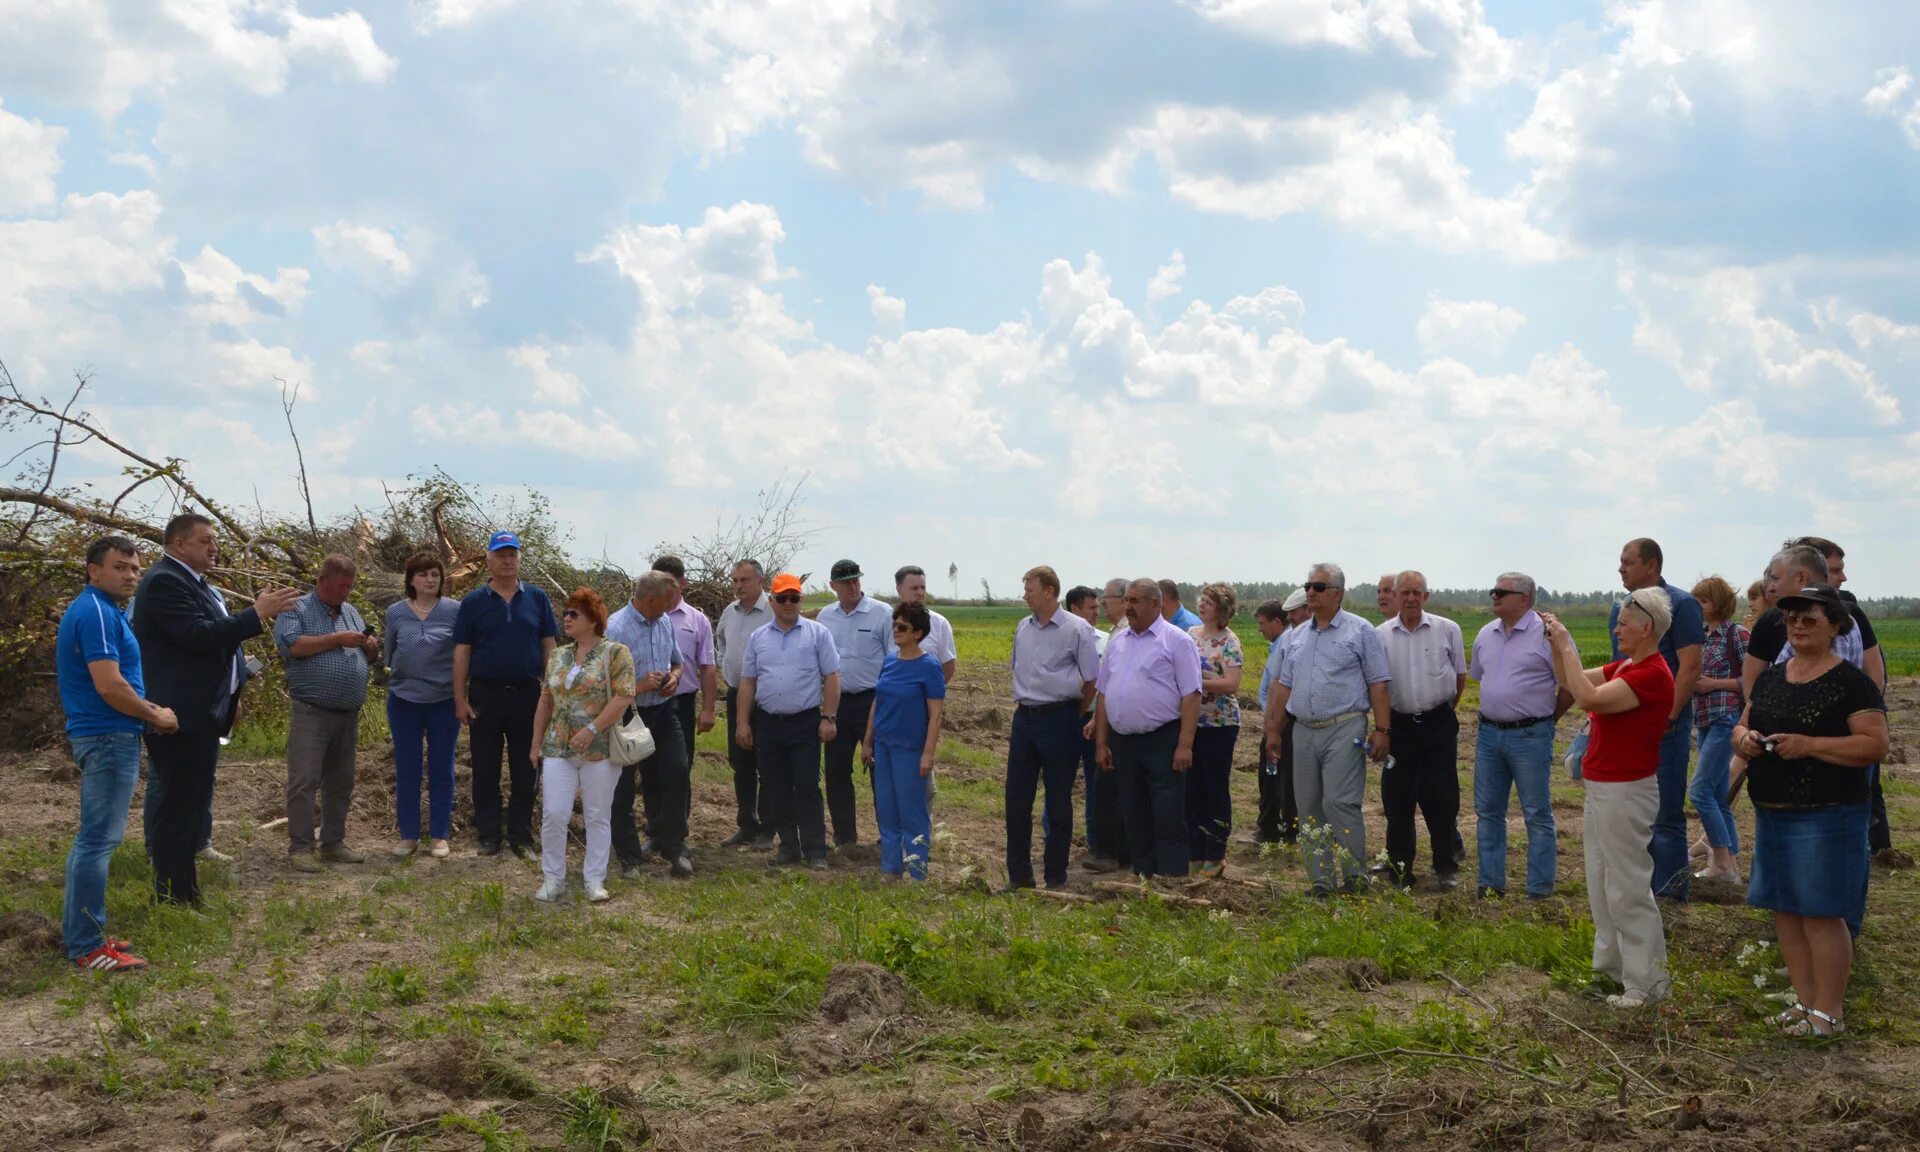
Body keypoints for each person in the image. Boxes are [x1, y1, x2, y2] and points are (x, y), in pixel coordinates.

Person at [1734, 584, 1888, 1036]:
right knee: (1787, 910)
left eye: (1810, 618)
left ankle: (1829, 1011)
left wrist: (1810, 746)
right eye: (1792, 619)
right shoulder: (1772, 677)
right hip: (1773, 811)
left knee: (1821, 913)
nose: (1798, 625)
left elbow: (1875, 744)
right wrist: (1743, 740)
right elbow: (1744, 726)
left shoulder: (1850, 682)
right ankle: (1804, 1003)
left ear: (1836, 625)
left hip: (1828, 814)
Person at [134, 513, 299, 905]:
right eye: (205, 541)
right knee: (177, 809)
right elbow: (197, 636)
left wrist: (230, 694)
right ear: (178, 545)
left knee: (191, 809)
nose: (214, 547)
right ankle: (171, 897)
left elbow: (219, 643)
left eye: (215, 540)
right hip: (178, 717)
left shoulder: (198, 585)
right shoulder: (163, 583)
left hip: (202, 715)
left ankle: (186, 893)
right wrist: (255, 613)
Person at [1542, 589, 1676, 1009]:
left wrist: (1566, 644)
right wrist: (1555, 646)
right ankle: (1611, 973)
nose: (1617, 629)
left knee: (1628, 886)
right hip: (1603, 786)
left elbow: (1588, 698)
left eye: (1622, 622)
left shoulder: (1652, 674)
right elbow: (1570, 681)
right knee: (1602, 884)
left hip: (1626, 790)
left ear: (1646, 627)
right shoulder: (1628, 665)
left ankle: (1646, 984)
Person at [58, 537, 179, 971]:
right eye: (120, 567)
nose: (130, 575)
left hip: (109, 735)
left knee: (92, 839)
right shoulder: (94, 612)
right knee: (97, 841)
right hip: (108, 736)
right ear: (93, 570)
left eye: (134, 568)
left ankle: (81, 933)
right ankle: (89, 948)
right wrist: (155, 715)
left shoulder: (107, 611)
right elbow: (110, 685)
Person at [1263, 564, 1391, 896]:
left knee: (1340, 803)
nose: (1310, 592)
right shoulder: (1295, 636)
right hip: (1303, 729)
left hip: (1343, 727)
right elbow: (1281, 687)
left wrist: (1382, 730)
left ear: (1337, 593)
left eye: (1318, 587)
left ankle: (1355, 879)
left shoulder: (1360, 631)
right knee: (1308, 807)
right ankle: (1321, 882)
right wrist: (1273, 731)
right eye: (1308, 585)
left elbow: (1378, 684)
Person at [1787, 536, 1895, 864]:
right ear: (1811, 572)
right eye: (1835, 570)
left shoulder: (1853, 616)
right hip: (1802, 751)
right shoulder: (1789, 622)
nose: (1842, 577)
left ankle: (1875, 852)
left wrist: (1859, 720)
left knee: (1862, 800)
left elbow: (1875, 675)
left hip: (1851, 738)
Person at [1609, 538, 1704, 901]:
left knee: (1664, 815)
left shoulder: (1681, 605)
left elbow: (1690, 666)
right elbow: (1621, 667)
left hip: (1666, 729)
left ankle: (1670, 895)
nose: (1621, 568)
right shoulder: (1622, 608)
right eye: (1620, 562)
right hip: (1627, 727)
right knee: (1632, 814)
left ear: (1652, 565)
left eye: (1628, 562)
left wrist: (1668, 717)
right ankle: (1637, 892)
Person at [453, 531, 558, 859]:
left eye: (513, 554)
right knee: (485, 769)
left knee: (527, 767)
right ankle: (488, 836)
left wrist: (552, 691)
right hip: (486, 695)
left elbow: (549, 647)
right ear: (488, 560)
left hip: (528, 695)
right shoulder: (473, 602)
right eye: (501, 554)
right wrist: (459, 698)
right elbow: (462, 652)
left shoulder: (537, 598)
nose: (508, 560)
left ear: (519, 559)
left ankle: (521, 836)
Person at [1468, 572, 1571, 900]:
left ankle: (1540, 890)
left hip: (1530, 736)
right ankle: (1490, 885)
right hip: (1488, 735)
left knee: (1536, 812)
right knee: (1487, 812)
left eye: (1501, 592)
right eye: (1492, 591)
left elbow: (1571, 683)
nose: (1493, 596)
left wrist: (1547, 718)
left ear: (1524, 600)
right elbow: (1479, 677)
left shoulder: (1548, 635)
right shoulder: (1486, 634)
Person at [274, 554, 380, 872]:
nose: (344, 593)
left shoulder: (351, 612)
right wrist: (336, 639)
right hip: (312, 711)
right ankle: (301, 847)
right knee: (304, 780)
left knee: (340, 781)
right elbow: (291, 645)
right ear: (321, 581)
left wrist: (369, 646)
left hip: (347, 713)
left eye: (349, 587)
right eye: (339, 587)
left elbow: (369, 656)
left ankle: (333, 843)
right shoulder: (297, 608)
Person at [530, 588, 636, 902]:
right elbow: (546, 700)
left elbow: (624, 696)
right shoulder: (559, 655)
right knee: (554, 813)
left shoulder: (616, 653)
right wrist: (536, 742)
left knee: (597, 815)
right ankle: (553, 879)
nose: (567, 618)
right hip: (558, 747)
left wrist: (592, 728)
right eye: (565, 613)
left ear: (593, 619)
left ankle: (594, 880)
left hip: (600, 748)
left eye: (574, 613)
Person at [1095, 579, 1202, 879]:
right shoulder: (1118, 641)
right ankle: (1144, 876)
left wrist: (1185, 744)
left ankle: (1171, 878)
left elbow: (1191, 694)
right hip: (1124, 742)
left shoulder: (1176, 641)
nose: (1128, 607)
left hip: (1162, 739)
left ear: (1156, 604)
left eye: (1136, 601)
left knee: (1167, 812)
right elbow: (1104, 693)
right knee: (1133, 811)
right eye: (1127, 600)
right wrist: (1102, 743)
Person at [737, 573, 842, 868]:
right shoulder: (758, 638)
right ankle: (788, 846)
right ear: (771, 601)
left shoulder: (818, 634)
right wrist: (743, 723)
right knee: (774, 786)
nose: (788, 604)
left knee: (807, 786)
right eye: (782, 598)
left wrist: (829, 718)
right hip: (768, 723)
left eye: (794, 598)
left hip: (805, 722)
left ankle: (815, 850)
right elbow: (748, 683)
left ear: (801, 601)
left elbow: (832, 677)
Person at [1005, 566, 1100, 890]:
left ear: (1049, 591)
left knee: (1058, 799)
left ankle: (1056, 876)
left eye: (1029, 588)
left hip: (1060, 719)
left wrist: (1071, 712)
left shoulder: (1077, 630)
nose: (1025, 594)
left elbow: (1092, 680)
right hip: (1025, 719)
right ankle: (1019, 876)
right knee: (1016, 798)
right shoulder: (1023, 627)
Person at [1375, 571, 1466, 889]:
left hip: (1438, 725)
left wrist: (1439, 712)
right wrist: (1382, 729)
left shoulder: (1447, 629)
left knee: (1442, 796)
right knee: (1397, 799)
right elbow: (1379, 686)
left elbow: (1459, 679)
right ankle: (1400, 871)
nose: (1411, 599)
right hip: (1398, 727)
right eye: (1405, 593)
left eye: (1417, 592)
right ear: (1396, 596)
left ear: (1426, 596)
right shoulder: (1380, 635)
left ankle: (1446, 865)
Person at [604, 572, 694, 878]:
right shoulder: (616, 628)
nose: (674, 605)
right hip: (627, 715)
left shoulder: (664, 621)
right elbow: (602, 685)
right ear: (651, 600)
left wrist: (674, 678)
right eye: (670, 600)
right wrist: (639, 685)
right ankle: (630, 857)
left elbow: (677, 662)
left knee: (678, 770)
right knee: (623, 787)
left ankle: (675, 846)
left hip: (664, 711)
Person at [863, 602, 947, 880]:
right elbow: (877, 702)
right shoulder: (889, 661)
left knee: (912, 812)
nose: (896, 630)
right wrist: (867, 741)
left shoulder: (929, 666)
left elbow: (935, 714)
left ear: (918, 633)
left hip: (910, 749)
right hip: (884, 746)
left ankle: (918, 871)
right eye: (894, 625)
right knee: (886, 809)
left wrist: (928, 754)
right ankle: (891, 868)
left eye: (903, 627)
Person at [384, 552, 460, 859]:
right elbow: (389, 653)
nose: (431, 580)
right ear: (411, 580)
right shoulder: (395, 612)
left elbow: (464, 652)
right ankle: (409, 835)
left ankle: (439, 835)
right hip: (404, 700)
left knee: (442, 766)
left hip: (444, 701)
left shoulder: (455, 609)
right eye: (424, 574)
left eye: (435, 574)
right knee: (407, 768)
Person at [817, 559, 891, 848]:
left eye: (856, 580)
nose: (852, 586)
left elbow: (893, 659)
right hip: (836, 703)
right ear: (832, 586)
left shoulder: (882, 613)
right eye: (845, 582)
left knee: (880, 770)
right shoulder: (825, 617)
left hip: (873, 701)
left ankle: (888, 835)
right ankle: (845, 837)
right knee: (836, 771)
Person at [1688, 575, 1748, 883]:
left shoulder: (1736, 635)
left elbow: (1752, 679)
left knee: (1699, 792)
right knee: (1717, 794)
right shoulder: (1701, 636)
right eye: (1696, 600)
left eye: (1704, 601)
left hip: (1727, 718)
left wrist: (1713, 684)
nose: (1698, 606)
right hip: (1705, 721)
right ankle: (1731, 868)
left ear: (1719, 604)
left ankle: (1722, 862)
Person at [715, 559, 774, 847]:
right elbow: (721, 642)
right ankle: (746, 825)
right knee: (741, 763)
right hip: (737, 694)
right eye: (735, 580)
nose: (738, 586)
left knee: (767, 763)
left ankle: (767, 828)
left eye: (744, 580)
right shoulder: (730, 612)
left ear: (760, 581)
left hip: (766, 700)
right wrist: (724, 666)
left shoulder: (774, 610)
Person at [1186, 582, 1243, 879]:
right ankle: (1195, 851)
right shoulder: (1191, 635)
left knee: (1214, 788)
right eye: (1202, 599)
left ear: (1222, 607)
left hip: (1220, 724)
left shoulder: (1229, 641)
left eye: (1209, 601)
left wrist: (1197, 684)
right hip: (1191, 722)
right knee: (1192, 788)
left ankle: (1216, 853)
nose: (1203, 604)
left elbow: (1232, 685)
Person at [1245, 590, 1307, 847]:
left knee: (1278, 777)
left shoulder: (1289, 640)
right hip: (1277, 719)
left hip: (1284, 720)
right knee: (1272, 776)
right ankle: (1278, 826)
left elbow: (1281, 686)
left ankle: (1280, 828)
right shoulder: (1286, 641)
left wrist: (1273, 724)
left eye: (1262, 624)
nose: (1259, 630)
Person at [1080, 578, 1133, 873]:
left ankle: (1111, 852)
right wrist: (1095, 718)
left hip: (1118, 722)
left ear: (1123, 599)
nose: (1102, 603)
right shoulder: (1118, 631)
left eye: (1107, 598)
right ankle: (1118, 851)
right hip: (1109, 717)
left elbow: (1114, 682)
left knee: (1109, 789)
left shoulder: (1126, 632)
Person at [655, 555, 718, 799]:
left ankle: (677, 829)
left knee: (681, 766)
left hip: (681, 702)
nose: (664, 588)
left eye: (669, 581)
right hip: (646, 701)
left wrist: (709, 710)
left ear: (683, 584)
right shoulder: (643, 617)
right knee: (650, 765)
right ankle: (655, 828)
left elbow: (708, 667)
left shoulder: (697, 620)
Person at [1062, 585, 1116, 865]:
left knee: (1097, 783)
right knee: (1060, 781)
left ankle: (1097, 843)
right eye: (1091, 608)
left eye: (1098, 607)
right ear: (1074, 609)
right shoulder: (1061, 640)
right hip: (1067, 717)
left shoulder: (1107, 641)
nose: (1097, 612)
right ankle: (1055, 840)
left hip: (1097, 720)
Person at [890, 566, 956, 683]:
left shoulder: (940, 623)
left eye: (923, 588)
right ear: (899, 590)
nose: (920, 593)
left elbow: (948, 665)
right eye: (914, 588)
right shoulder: (887, 621)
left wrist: (932, 692)